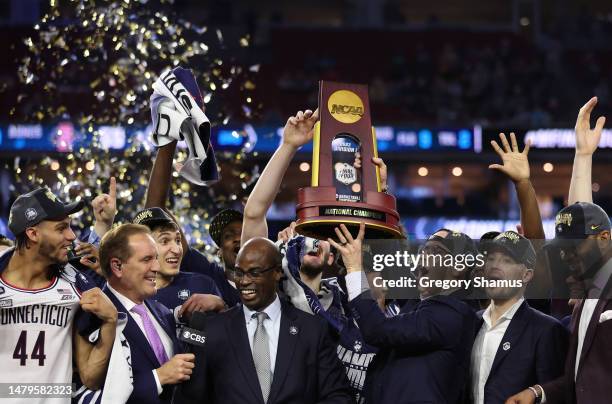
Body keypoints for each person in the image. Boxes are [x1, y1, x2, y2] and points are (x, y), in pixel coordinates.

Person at [241, 107, 387, 402]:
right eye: (304, 233)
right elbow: (254, 213)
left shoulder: (346, 303)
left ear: (333, 256)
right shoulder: (272, 290)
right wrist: (289, 145)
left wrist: (376, 188)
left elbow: (380, 260)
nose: (312, 242)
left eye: (321, 238)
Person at [506, 97, 611, 404]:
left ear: (606, 238)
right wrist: (582, 156)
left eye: (574, 248)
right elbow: (580, 381)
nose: (567, 256)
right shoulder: (583, 306)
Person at [176, 237, 352, 404]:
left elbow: (337, 395)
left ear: (277, 272)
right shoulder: (211, 330)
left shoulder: (313, 329)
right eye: (239, 273)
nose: (244, 281)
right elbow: (192, 398)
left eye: (254, 273)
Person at [333, 223, 477, 404]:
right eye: (424, 249)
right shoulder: (420, 305)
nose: (424, 256)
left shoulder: (452, 315)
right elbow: (395, 270)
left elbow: (376, 329)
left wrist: (355, 268)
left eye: (435, 251)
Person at [0, 188, 118, 403]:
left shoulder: (76, 285)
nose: (71, 236)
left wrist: (111, 323)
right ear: (33, 233)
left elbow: (91, 378)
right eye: (61, 228)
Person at [99, 224, 195, 404]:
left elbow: (190, 351)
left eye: (156, 258)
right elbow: (94, 393)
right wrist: (158, 377)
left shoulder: (162, 311)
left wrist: (217, 312)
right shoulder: (96, 317)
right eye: (147, 259)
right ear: (117, 266)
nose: (157, 267)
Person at [471, 231, 568, 403]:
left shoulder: (546, 330)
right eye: (491, 258)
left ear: (526, 275)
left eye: (507, 260)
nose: (495, 265)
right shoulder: (470, 324)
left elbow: (557, 394)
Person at [132, 207, 225, 322]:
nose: (177, 250)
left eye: (177, 240)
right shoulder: (127, 295)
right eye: (165, 241)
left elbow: (231, 332)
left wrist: (221, 306)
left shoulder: (203, 285)